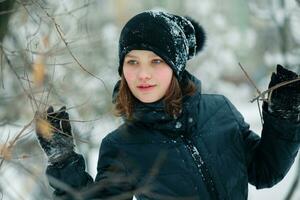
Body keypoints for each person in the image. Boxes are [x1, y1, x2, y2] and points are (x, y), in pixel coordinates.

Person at [35, 10, 300, 200]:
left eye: (156, 61)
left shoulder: (220, 111)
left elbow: (265, 172)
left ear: (176, 67)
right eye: (132, 62)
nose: (143, 74)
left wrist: (284, 118)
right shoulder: (122, 146)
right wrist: (64, 163)